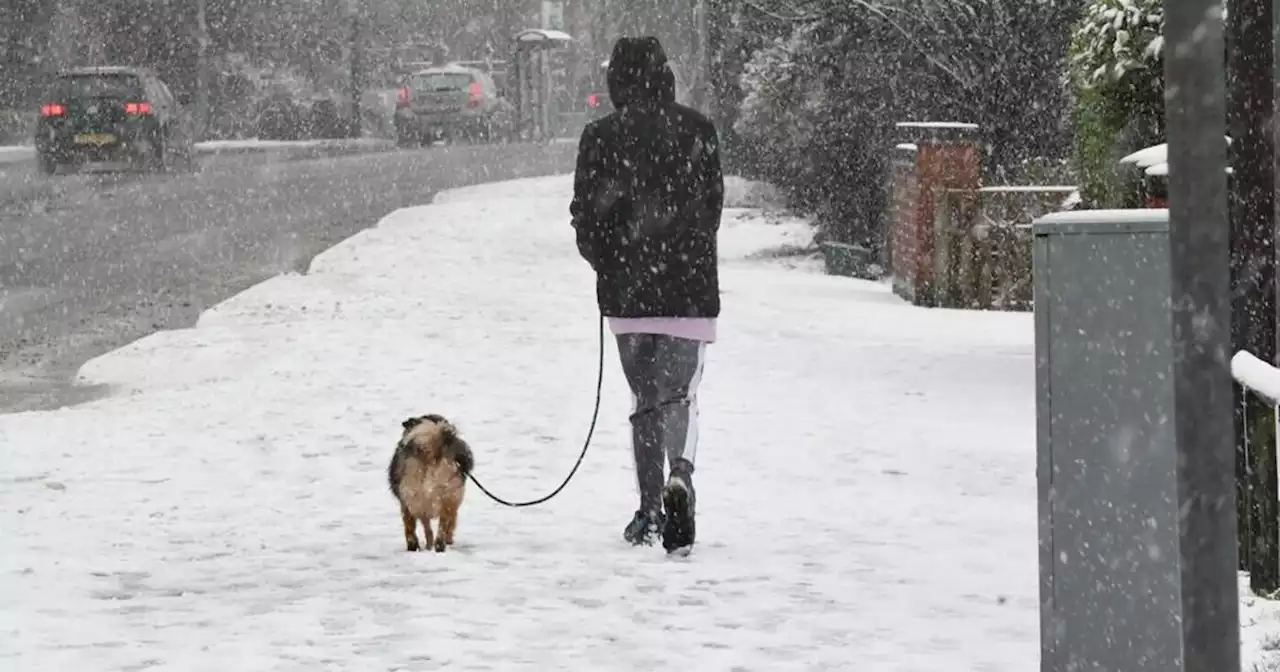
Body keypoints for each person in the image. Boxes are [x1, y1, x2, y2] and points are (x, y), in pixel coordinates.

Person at [569, 36, 724, 556]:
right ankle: (681, 475)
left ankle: (650, 509)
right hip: (688, 289)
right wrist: (684, 250)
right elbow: (711, 210)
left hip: (629, 294)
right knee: (680, 394)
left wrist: (610, 261)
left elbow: (584, 219)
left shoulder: (599, 137)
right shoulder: (698, 131)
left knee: (645, 401)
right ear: (665, 75)